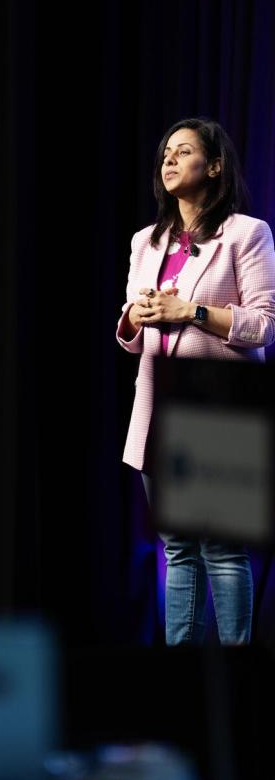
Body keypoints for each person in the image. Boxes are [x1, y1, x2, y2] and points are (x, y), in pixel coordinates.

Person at [115, 116, 275, 646]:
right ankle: (181, 684)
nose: (169, 160)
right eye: (165, 153)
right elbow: (133, 333)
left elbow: (264, 326)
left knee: (221, 550)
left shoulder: (246, 234)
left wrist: (194, 311)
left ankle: (234, 682)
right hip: (159, 408)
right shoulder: (146, 241)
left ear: (214, 166)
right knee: (177, 549)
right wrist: (135, 318)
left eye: (183, 152)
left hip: (217, 407)